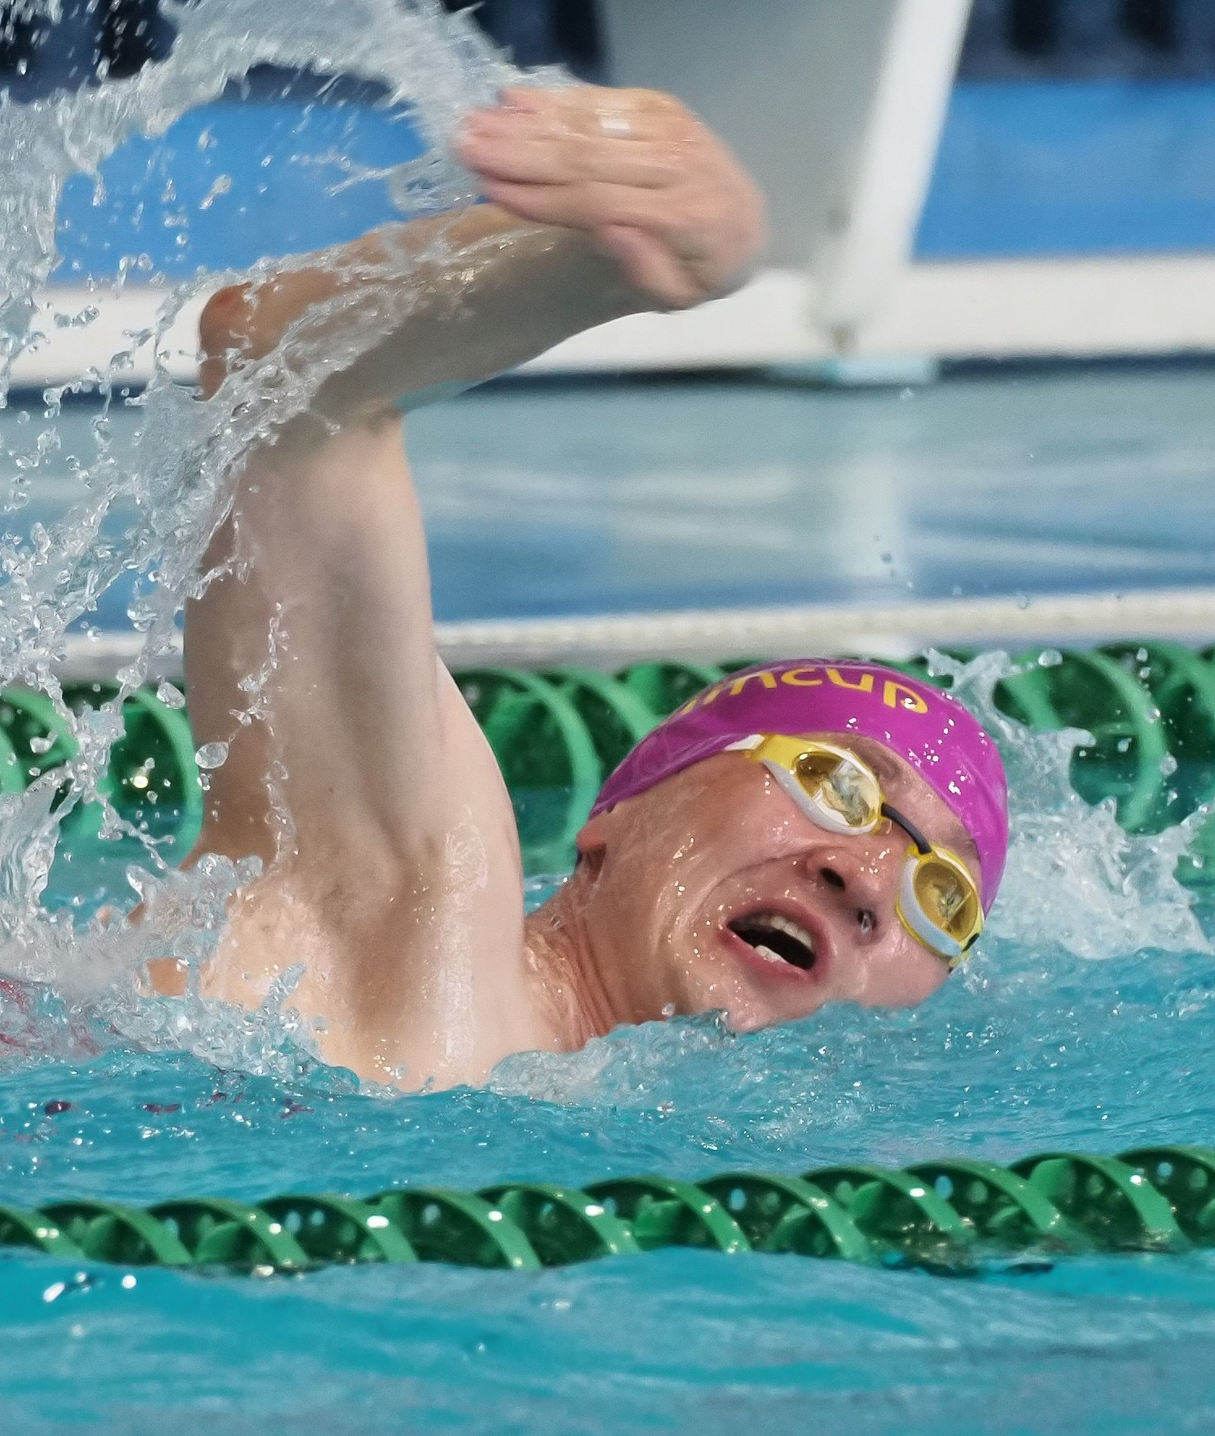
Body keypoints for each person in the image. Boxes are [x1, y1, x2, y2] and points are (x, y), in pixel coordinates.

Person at [170, 81, 1010, 1090]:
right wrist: (597, 262)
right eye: (837, 783)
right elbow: (285, 372)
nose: (866, 878)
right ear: (617, 816)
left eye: (942, 896)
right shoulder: (414, 921)